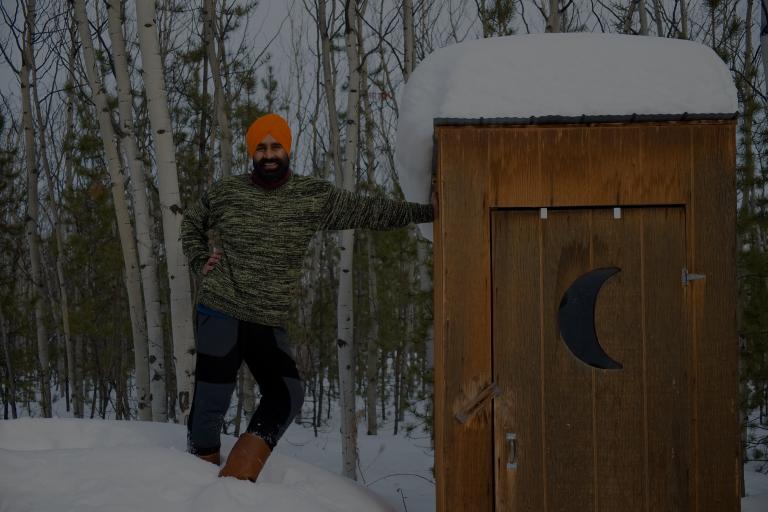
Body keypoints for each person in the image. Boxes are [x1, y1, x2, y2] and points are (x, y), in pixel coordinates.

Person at [180, 113, 435, 482]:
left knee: (287, 395)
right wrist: (200, 259)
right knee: (210, 404)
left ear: (288, 148)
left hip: (267, 318)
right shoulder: (226, 192)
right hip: (221, 308)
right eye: (261, 147)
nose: (269, 154)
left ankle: (235, 480)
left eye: (276, 146)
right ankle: (192, 479)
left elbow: (370, 210)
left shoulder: (312, 197)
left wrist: (428, 212)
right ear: (252, 152)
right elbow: (192, 222)